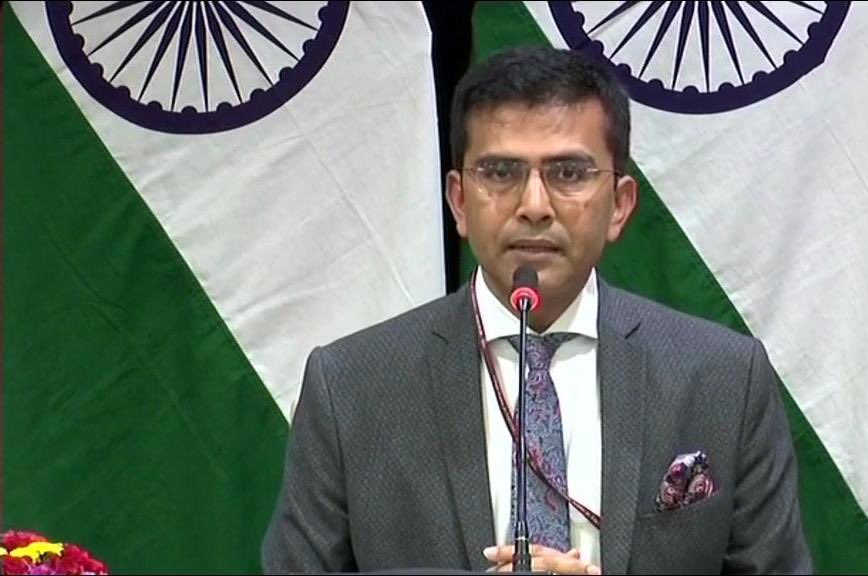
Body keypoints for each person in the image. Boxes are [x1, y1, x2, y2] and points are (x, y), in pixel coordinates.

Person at [261, 45, 811, 575]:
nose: (533, 206)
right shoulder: (353, 387)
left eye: (568, 173)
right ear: (459, 201)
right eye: (501, 173)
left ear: (620, 206)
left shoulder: (723, 379)